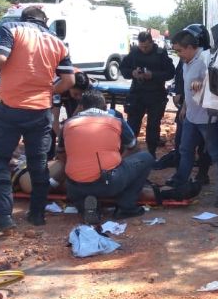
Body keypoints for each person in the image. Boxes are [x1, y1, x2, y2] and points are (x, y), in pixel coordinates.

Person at [0, 6, 75, 238]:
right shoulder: (58, 42)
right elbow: (68, 79)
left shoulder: (13, 29)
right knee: (38, 163)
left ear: (24, 18)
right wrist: (49, 92)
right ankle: (37, 214)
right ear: (45, 22)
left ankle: (2, 217)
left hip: (10, 109)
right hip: (40, 112)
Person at [58, 89, 153, 223]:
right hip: (108, 183)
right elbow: (133, 147)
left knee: (80, 182)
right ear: (105, 107)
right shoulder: (115, 120)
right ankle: (126, 207)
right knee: (146, 157)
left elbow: (61, 153)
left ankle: (87, 205)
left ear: (81, 107)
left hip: (75, 186)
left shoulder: (68, 124)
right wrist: (119, 165)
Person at [171, 27, 218, 207]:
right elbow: (188, 88)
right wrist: (184, 106)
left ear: (190, 47)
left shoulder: (206, 59)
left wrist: (203, 83)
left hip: (208, 119)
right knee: (185, 150)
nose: (178, 54)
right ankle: (181, 184)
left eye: (180, 51)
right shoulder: (185, 62)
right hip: (191, 116)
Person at [120, 31, 175, 158]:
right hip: (137, 94)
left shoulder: (160, 54)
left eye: (146, 46)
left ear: (152, 42)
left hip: (155, 94)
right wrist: (132, 73)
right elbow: (123, 69)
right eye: (141, 46)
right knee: (132, 125)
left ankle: (151, 153)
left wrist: (153, 75)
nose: (143, 49)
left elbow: (170, 73)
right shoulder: (134, 52)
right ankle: (129, 153)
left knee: (153, 126)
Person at [49, 69, 92, 159]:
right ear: (70, 87)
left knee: (77, 121)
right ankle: (49, 155)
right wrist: (62, 141)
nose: (79, 97)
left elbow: (79, 113)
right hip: (58, 91)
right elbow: (54, 119)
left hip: (73, 92)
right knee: (50, 126)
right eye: (76, 94)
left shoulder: (89, 87)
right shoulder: (58, 89)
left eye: (81, 94)